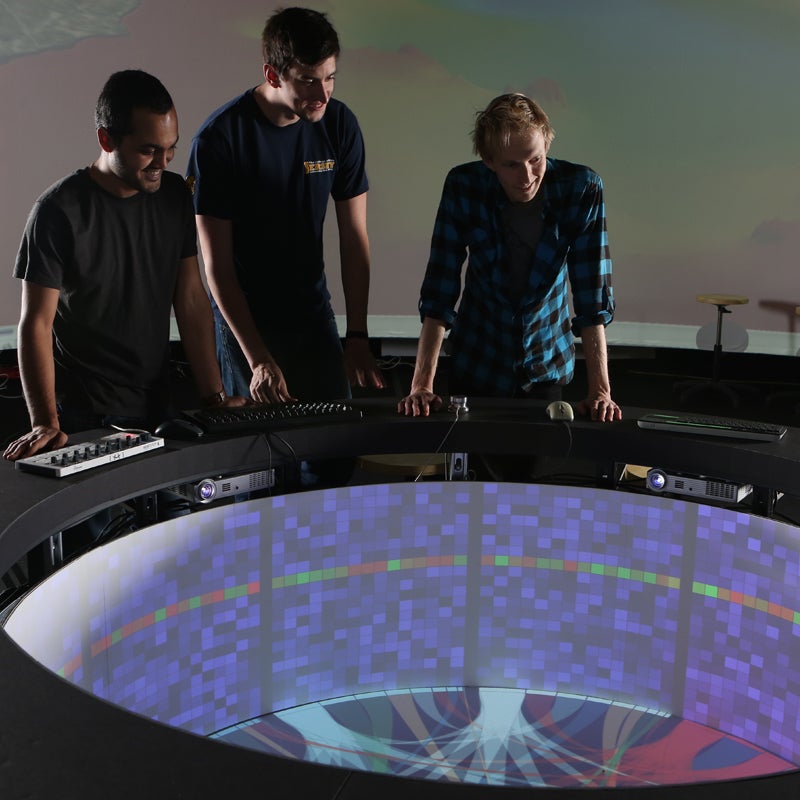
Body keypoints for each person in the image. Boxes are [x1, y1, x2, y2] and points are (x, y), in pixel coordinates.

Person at [3, 69, 246, 464]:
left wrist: (212, 399)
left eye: (170, 149)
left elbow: (190, 299)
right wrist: (44, 421)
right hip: (82, 414)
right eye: (149, 150)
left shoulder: (174, 197)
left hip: (159, 407)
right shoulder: (57, 211)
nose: (162, 162)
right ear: (106, 138)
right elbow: (36, 323)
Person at [187, 6, 384, 412]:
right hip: (247, 317)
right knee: (265, 451)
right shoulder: (219, 140)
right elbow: (216, 267)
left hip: (312, 311)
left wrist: (359, 335)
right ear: (273, 74)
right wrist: (257, 358)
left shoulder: (340, 125)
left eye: (330, 78)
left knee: (334, 447)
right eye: (309, 81)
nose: (322, 93)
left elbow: (354, 237)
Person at [399, 93, 622, 425]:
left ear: (546, 146)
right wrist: (421, 385)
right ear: (489, 161)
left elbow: (592, 296)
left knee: (530, 475)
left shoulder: (581, 188)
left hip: (545, 362)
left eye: (536, 160)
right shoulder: (464, 186)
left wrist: (600, 391)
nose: (527, 176)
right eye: (511, 165)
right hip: (478, 357)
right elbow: (439, 290)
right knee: (471, 472)